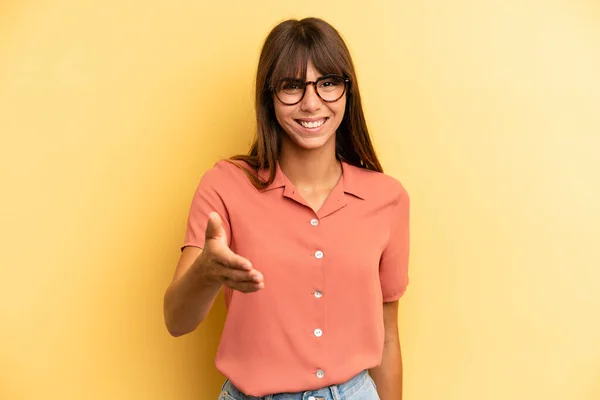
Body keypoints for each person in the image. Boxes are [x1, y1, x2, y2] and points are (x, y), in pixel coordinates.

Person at [163, 17, 410, 400]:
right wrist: (206, 274)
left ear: (347, 91)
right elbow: (176, 322)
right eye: (292, 86)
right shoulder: (225, 185)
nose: (312, 103)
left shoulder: (387, 198)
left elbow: (388, 334)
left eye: (328, 83)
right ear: (269, 96)